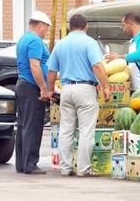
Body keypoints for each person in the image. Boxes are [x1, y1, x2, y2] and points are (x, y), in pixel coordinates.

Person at [47, 14, 110, 177]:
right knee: (86, 130)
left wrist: (49, 90)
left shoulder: (61, 44)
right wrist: (106, 87)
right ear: (85, 26)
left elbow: (52, 71)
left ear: (70, 27)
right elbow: (97, 66)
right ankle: (83, 169)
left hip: (66, 89)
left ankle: (65, 167)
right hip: (85, 89)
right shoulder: (89, 43)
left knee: (66, 130)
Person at [15, 10, 52, 175]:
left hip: (22, 85)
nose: (46, 31)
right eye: (46, 28)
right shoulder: (36, 41)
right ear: (40, 25)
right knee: (33, 126)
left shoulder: (23, 38)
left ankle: (21, 164)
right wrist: (44, 88)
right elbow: (34, 66)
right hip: (31, 87)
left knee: (23, 125)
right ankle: (30, 164)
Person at [105, 12, 140, 90]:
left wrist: (118, 57)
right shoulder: (135, 39)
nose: (123, 29)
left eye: (124, 25)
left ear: (130, 24)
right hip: (137, 85)